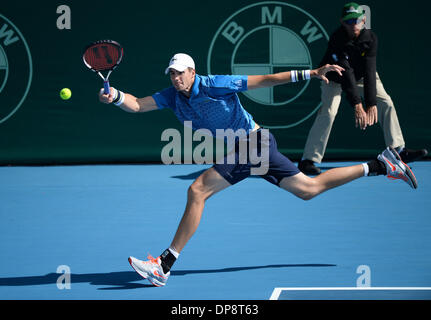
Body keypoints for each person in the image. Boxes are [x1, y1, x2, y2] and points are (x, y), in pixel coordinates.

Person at [99, 53, 417, 287]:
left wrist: (311, 72)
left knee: (197, 190)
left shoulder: (215, 85)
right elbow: (138, 104)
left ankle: (164, 264)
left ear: (193, 72)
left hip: (253, 143)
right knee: (308, 189)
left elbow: (263, 80)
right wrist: (114, 96)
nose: (176, 79)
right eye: (172, 74)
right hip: (256, 146)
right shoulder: (172, 96)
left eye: (180, 73)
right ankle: (380, 165)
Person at [298, 2, 427, 175]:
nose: (353, 25)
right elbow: (346, 74)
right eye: (349, 21)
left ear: (364, 20)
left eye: (357, 20)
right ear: (343, 22)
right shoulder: (338, 39)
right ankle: (308, 160)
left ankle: (399, 151)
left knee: (386, 102)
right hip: (335, 78)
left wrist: (372, 103)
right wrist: (358, 105)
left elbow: (370, 70)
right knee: (328, 112)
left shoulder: (370, 38)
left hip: (363, 76)